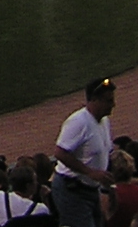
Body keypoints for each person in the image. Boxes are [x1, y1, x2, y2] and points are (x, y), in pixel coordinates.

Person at [52, 78, 117, 227]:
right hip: (72, 190)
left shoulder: (104, 121)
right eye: (108, 101)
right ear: (94, 100)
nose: (113, 104)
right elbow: (60, 153)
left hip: (91, 189)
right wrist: (90, 172)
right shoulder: (78, 122)